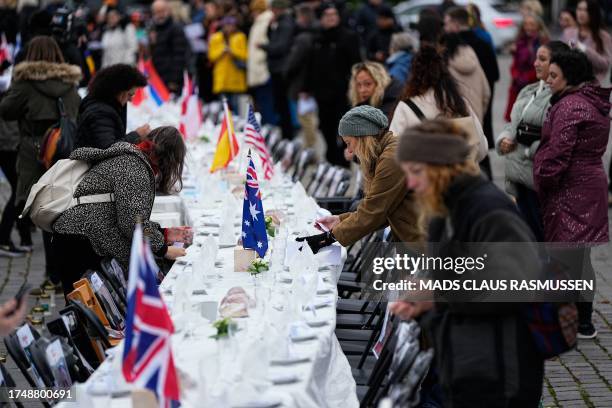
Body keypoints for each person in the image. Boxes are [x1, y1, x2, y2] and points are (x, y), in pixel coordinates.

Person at [392, 118, 544, 407]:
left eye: (416, 171)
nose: (409, 183)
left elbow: (513, 285)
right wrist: (423, 301)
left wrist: (437, 293)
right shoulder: (444, 208)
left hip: (501, 370)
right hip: (467, 361)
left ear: (441, 167)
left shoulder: (487, 209)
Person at [53, 127, 187, 296]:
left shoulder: (133, 158)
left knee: (86, 305)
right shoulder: (134, 167)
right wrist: (163, 249)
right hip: (79, 241)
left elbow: (129, 215)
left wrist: (163, 233)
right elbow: (132, 223)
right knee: (84, 308)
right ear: (167, 159)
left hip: (76, 236)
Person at [534, 49, 610, 339]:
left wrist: (541, 180)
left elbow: (557, 154)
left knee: (563, 263)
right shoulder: (592, 101)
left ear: (571, 77)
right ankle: (583, 323)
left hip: (571, 191)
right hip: (589, 187)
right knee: (581, 260)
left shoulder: (570, 106)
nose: (548, 81)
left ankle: (561, 328)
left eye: (554, 76)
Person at [0, 36, 81, 285]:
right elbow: (76, 111)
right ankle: (62, 273)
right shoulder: (69, 82)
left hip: (35, 152)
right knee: (61, 207)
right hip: (64, 149)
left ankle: (52, 274)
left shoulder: (25, 83)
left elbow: (6, 110)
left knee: (41, 210)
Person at [297, 105, 422, 252]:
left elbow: (374, 210)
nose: (349, 151)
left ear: (363, 137)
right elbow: (381, 209)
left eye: (349, 143)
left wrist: (328, 238)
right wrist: (340, 220)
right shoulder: (387, 152)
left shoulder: (392, 158)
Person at [496, 41, 569, 242]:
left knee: (541, 241)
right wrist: (504, 139)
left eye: (542, 59)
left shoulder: (559, 97)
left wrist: (526, 149)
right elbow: (513, 125)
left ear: (557, 65)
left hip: (536, 181)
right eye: (536, 58)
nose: (535, 63)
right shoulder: (528, 90)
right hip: (519, 179)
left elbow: (555, 141)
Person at [390, 46, 488, 163]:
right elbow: (481, 149)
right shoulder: (458, 103)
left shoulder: (405, 107)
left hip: (427, 177)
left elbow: (394, 153)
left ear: (413, 75)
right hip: (463, 176)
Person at [444, 6, 498, 176]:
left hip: (457, 114)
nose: (444, 28)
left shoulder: (448, 50)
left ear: (455, 24)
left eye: (446, 23)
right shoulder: (483, 43)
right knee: (481, 154)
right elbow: (494, 76)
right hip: (480, 109)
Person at [305, 2, 361, 166]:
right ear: (321, 19)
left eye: (334, 15)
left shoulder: (348, 36)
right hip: (322, 91)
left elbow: (356, 64)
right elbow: (310, 64)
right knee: (325, 126)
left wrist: (355, 86)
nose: (331, 18)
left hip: (343, 91)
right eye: (327, 16)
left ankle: (344, 159)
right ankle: (331, 156)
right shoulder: (317, 38)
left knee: (344, 127)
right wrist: (307, 88)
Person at [75, 64, 149, 149]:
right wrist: (137, 135)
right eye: (130, 94)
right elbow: (108, 150)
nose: (130, 100)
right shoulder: (100, 113)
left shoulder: (104, 107)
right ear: (118, 91)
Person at [504, 13, 549, 122]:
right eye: (526, 24)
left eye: (532, 24)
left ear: (538, 26)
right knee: (514, 119)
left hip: (535, 84)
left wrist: (527, 77)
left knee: (530, 119)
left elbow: (544, 65)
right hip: (517, 85)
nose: (528, 27)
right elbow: (515, 65)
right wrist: (516, 75)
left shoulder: (543, 43)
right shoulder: (519, 42)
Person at [285, 4, 318, 149]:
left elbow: (295, 63)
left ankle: (310, 150)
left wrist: (286, 72)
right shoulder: (316, 34)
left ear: (303, 18)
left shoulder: (303, 38)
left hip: (303, 85)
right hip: (309, 84)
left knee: (306, 119)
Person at [262, 0, 295, 139]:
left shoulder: (286, 24)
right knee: (280, 105)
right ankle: (285, 133)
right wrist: (270, 28)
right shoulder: (279, 23)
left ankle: (288, 135)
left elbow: (280, 47)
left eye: (273, 9)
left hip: (281, 70)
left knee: (284, 105)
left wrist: (264, 47)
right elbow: (272, 40)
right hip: (276, 69)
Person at [441, 32, 490, 124]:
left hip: (455, 122)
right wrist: (480, 112)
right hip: (476, 121)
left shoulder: (445, 66)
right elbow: (486, 92)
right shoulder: (474, 60)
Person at [0, 118, 31, 257]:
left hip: (9, 145)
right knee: (18, 193)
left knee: (18, 192)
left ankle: (22, 239)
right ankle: (4, 241)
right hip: (10, 146)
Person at [563, 0, 612, 84]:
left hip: (595, 86)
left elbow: (605, 64)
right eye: (579, 9)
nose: (581, 13)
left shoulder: (603, 36)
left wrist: (584, 49)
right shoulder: (568, 33)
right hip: (570, 85)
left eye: (585, 10)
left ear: (593, 13)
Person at [208, 16, 248, 111]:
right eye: (227, 26)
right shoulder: (216, 38)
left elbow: (245, 55)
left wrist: (232, 52)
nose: (229, 28)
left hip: (235, 78)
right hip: (222, 78)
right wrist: (222, 51)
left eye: (231, 26)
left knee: (236, 106)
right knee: (224, 108)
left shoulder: (240, 37)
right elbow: (211, 56)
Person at [149, 0, 189, 94]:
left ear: (169, 11)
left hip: (172, 80)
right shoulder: (153, 30)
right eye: (157, 12)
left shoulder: (176, 28)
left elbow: (179, 56)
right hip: (157, 79)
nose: (160, 15)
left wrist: (174, 80)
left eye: (162, 11)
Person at [247, 0, 274, 125]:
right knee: (262, 104)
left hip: (262, 70)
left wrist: (259, 61)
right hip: (257, 71)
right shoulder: (258, 23)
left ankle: (270, 129)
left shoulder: (265, 22)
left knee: (267, 104)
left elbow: (265, 45)